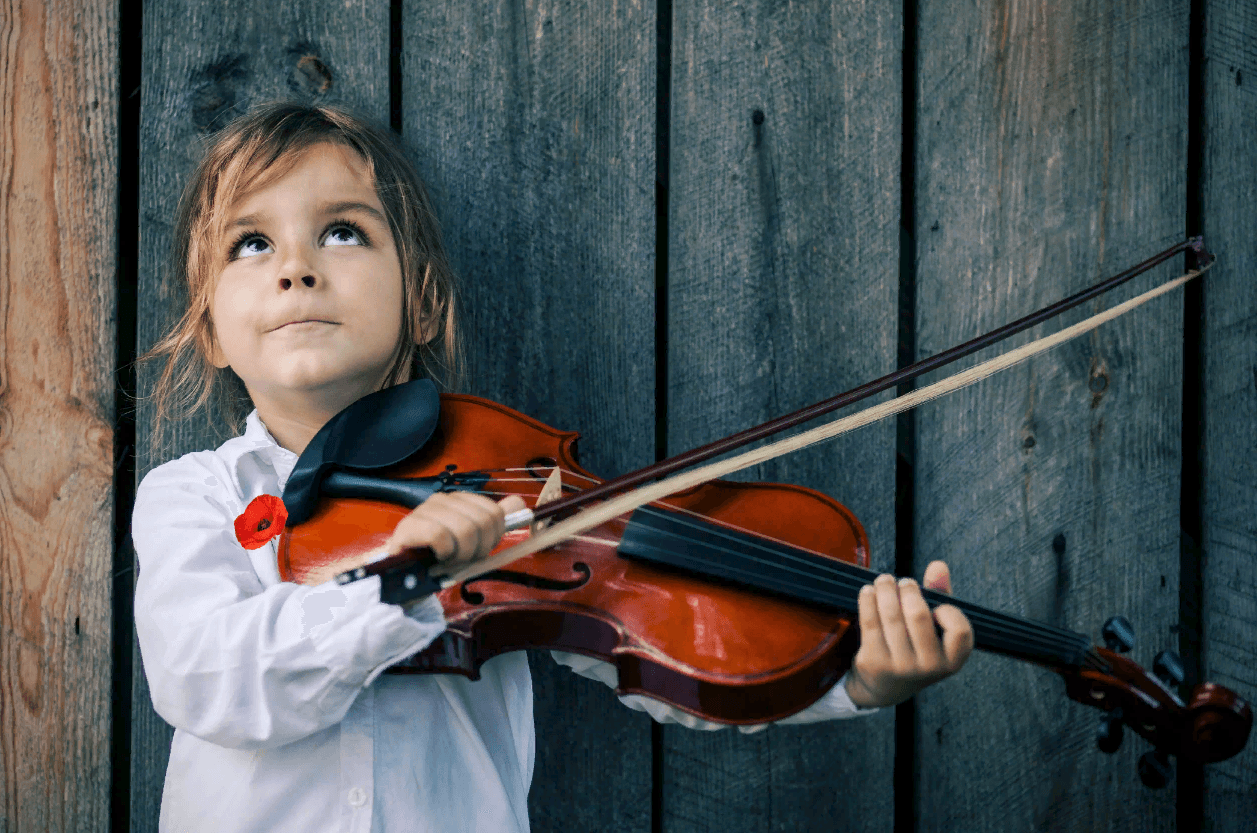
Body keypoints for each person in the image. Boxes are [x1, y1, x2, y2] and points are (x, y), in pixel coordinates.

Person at [132, 101, 974, 833]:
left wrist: (850, 675)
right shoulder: (193, 495)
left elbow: (666, 644)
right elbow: (205, 674)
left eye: (343, 230)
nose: (295, 267)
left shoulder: (511, 487)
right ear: (208, 327)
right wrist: (401, 584)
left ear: (422, 299)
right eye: (249, 242)